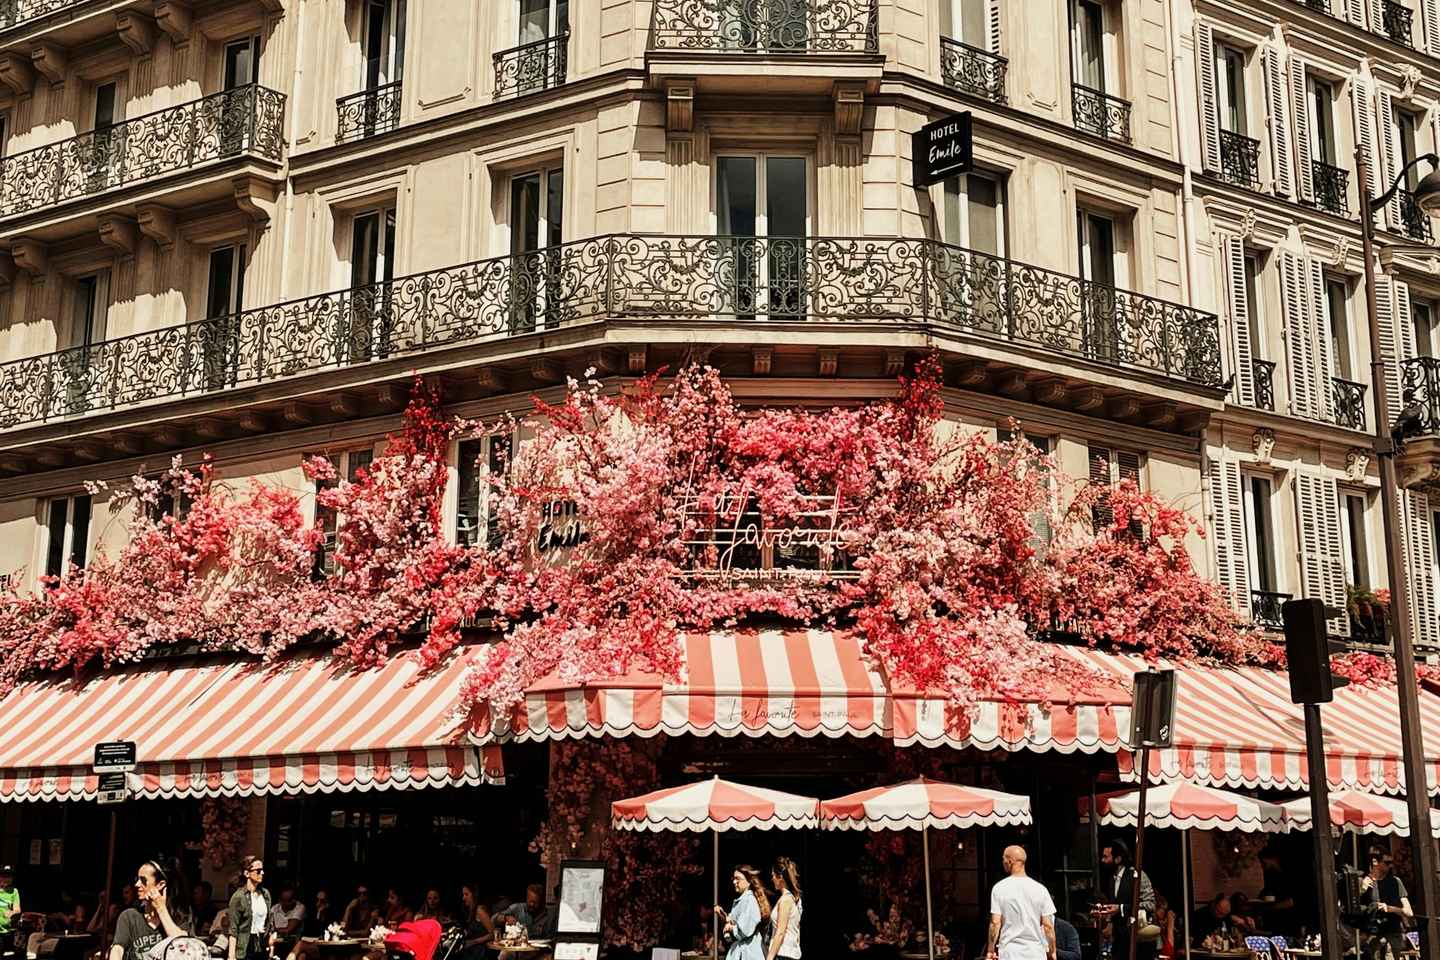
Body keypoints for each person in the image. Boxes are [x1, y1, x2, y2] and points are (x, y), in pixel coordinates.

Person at [109, 857, 193, 960]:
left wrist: (161, 909)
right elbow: (117, 949)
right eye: (137, 879)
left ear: (161, 884)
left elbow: (182, 945)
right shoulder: (130, 916)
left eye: (143, 880)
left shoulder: (178, 916)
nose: (137, 884)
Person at [984, 845, 1056, 960]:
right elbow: (1048, 926)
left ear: (1010, 861)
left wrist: (990, 950)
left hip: (1010, 952)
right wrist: (1052, 952)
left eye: (1003, 859)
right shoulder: (1040, 889)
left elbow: (995, 923)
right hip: (1035, 952)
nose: (1003, 862)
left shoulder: (999, 888)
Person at [1095, 840, 1155, 960]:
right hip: (1120, 941)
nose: (1103, 861)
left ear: (1118, 859)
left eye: (1106, 857)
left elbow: (1150, 904)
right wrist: (1108, 918)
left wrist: (1121, 908)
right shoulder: (1112, 880)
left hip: (1138, 941)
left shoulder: (1136, 875)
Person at [1361, 847, 1412, 960]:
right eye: (1387, 862)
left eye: (1392, 863)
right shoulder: (1363, 882)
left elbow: (1408, 912)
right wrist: (1361, 890)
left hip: (1393, 934)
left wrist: (1389, 908)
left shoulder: (1395, 881)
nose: (1391, 866)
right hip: (1373, 936)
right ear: (1375, 862)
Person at [715, 866, 769, 960]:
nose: (734, 882)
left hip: (749, 953)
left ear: (748, 881)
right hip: (742, 951)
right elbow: (733, 933)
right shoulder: (743, 900)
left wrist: (731, 927)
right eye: (733, 878)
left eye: (738, 879)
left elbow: (745, 929)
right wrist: (724, 917)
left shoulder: (749, 900)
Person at [227, 855, 273, 960]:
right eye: (258, 870)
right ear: (247, 873)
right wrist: (231, 955)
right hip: (246, 945)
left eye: (262, 870)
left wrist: (271, 946)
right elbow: (233, 929)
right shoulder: (239, 897)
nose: (262, 873)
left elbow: (269, 921)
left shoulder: (265, 894)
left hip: (261, 943)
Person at [766, 858, 802, 960]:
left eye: (773, 875)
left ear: (780, 877)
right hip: (789, 953)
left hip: (783, 953)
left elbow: (780, 932)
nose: (772, 879)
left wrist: (769, 958)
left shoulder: (785, 900)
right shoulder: (792, 899)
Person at [1259, 848, 1297, 936]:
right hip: (1277, 922)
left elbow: (1291, 901)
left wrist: (1271, 907)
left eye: (1263, 862)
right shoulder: (1272, 876)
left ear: (1272, 859)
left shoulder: (1289, 875)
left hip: (1288, 922)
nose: (1262, 865)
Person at [455, 886, 493, 960]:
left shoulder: (480, 910)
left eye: (466, 894)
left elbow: (492, 934)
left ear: (474, 895)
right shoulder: (471, 911)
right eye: (463, 895)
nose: (463, 898)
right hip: (473, 949)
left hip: (481, 951)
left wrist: (473, 942)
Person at [270, 887, 305, 957]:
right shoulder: (274, 909)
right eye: (289, 900)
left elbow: (289, 929)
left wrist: (276, 930)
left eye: (293, 898)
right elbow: (270, 927)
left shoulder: (300, 907)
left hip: (293, 944)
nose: (292, 902)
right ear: (280, 900)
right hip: (276, 944)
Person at [0, 866, 20, 945]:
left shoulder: (14, 891)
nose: (8, 879)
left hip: (6, 931)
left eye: (10, 876)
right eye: (5, 876)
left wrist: (12, 912)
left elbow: (17, 909)